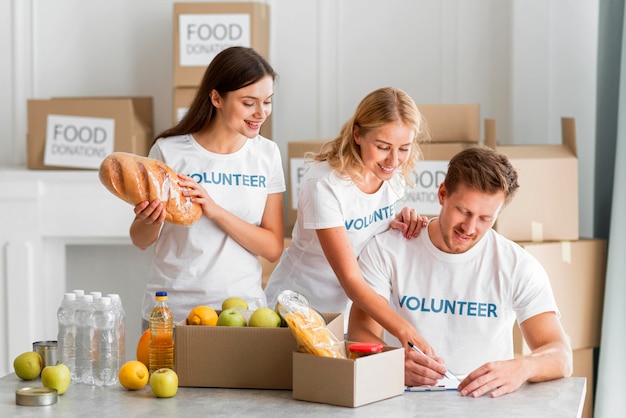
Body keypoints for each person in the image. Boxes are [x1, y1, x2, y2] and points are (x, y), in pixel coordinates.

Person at [348, 146, 573, 398]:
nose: (469, 227)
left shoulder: (517, 266)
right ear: (443, 194)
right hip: (400, 400)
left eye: (485, 218)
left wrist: (522, 367)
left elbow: (561, 355)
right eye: (463, 211)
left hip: (484, 406)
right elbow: (358, 332)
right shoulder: (387, 249)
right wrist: (392, 363)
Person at [130, 46, 285, 327]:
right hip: (173, 312)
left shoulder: (267, 154)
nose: (261, 113)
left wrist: (216, 211)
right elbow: (140, 240)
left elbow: (273, 247)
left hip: (244, 314)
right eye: (249, 103)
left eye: (268, 101)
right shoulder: (170, 152)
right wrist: (149, 219)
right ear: (216, 98)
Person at [264, 87, 430, 347]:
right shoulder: (325, 185)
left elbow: (368, 231)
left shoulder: (392, 177)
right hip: (298, 309)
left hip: (350, 313)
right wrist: (403, 329)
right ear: (357, 134)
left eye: (404, 148)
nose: (394, 160)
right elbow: (351, 280)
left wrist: (398, 220)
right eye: (383, 147)